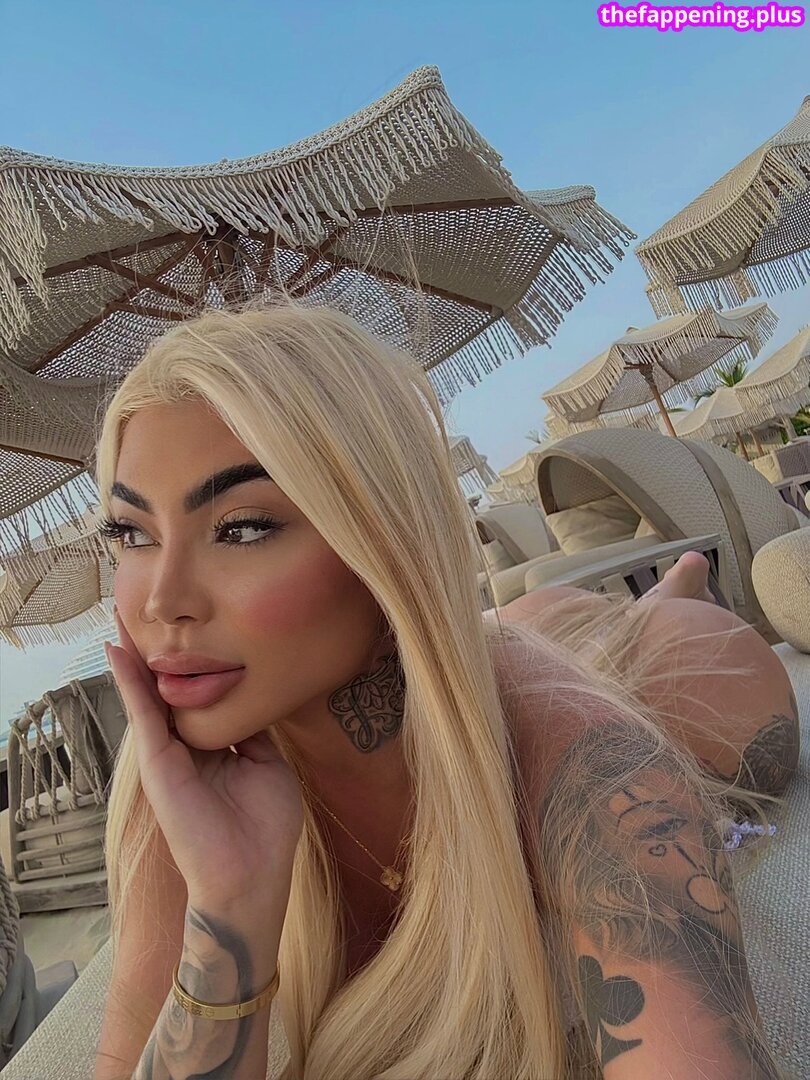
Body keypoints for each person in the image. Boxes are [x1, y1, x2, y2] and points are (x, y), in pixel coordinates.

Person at [92, 304, 797, 1080]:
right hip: (494, 646)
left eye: (243, 528)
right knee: (531, 629)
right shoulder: (175, 782)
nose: (159, 602)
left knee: (679, 659)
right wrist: (229, 905)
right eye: (131, 533)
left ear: (386, 537)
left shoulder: (598, 774)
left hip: (661, 661)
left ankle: (672, 593)